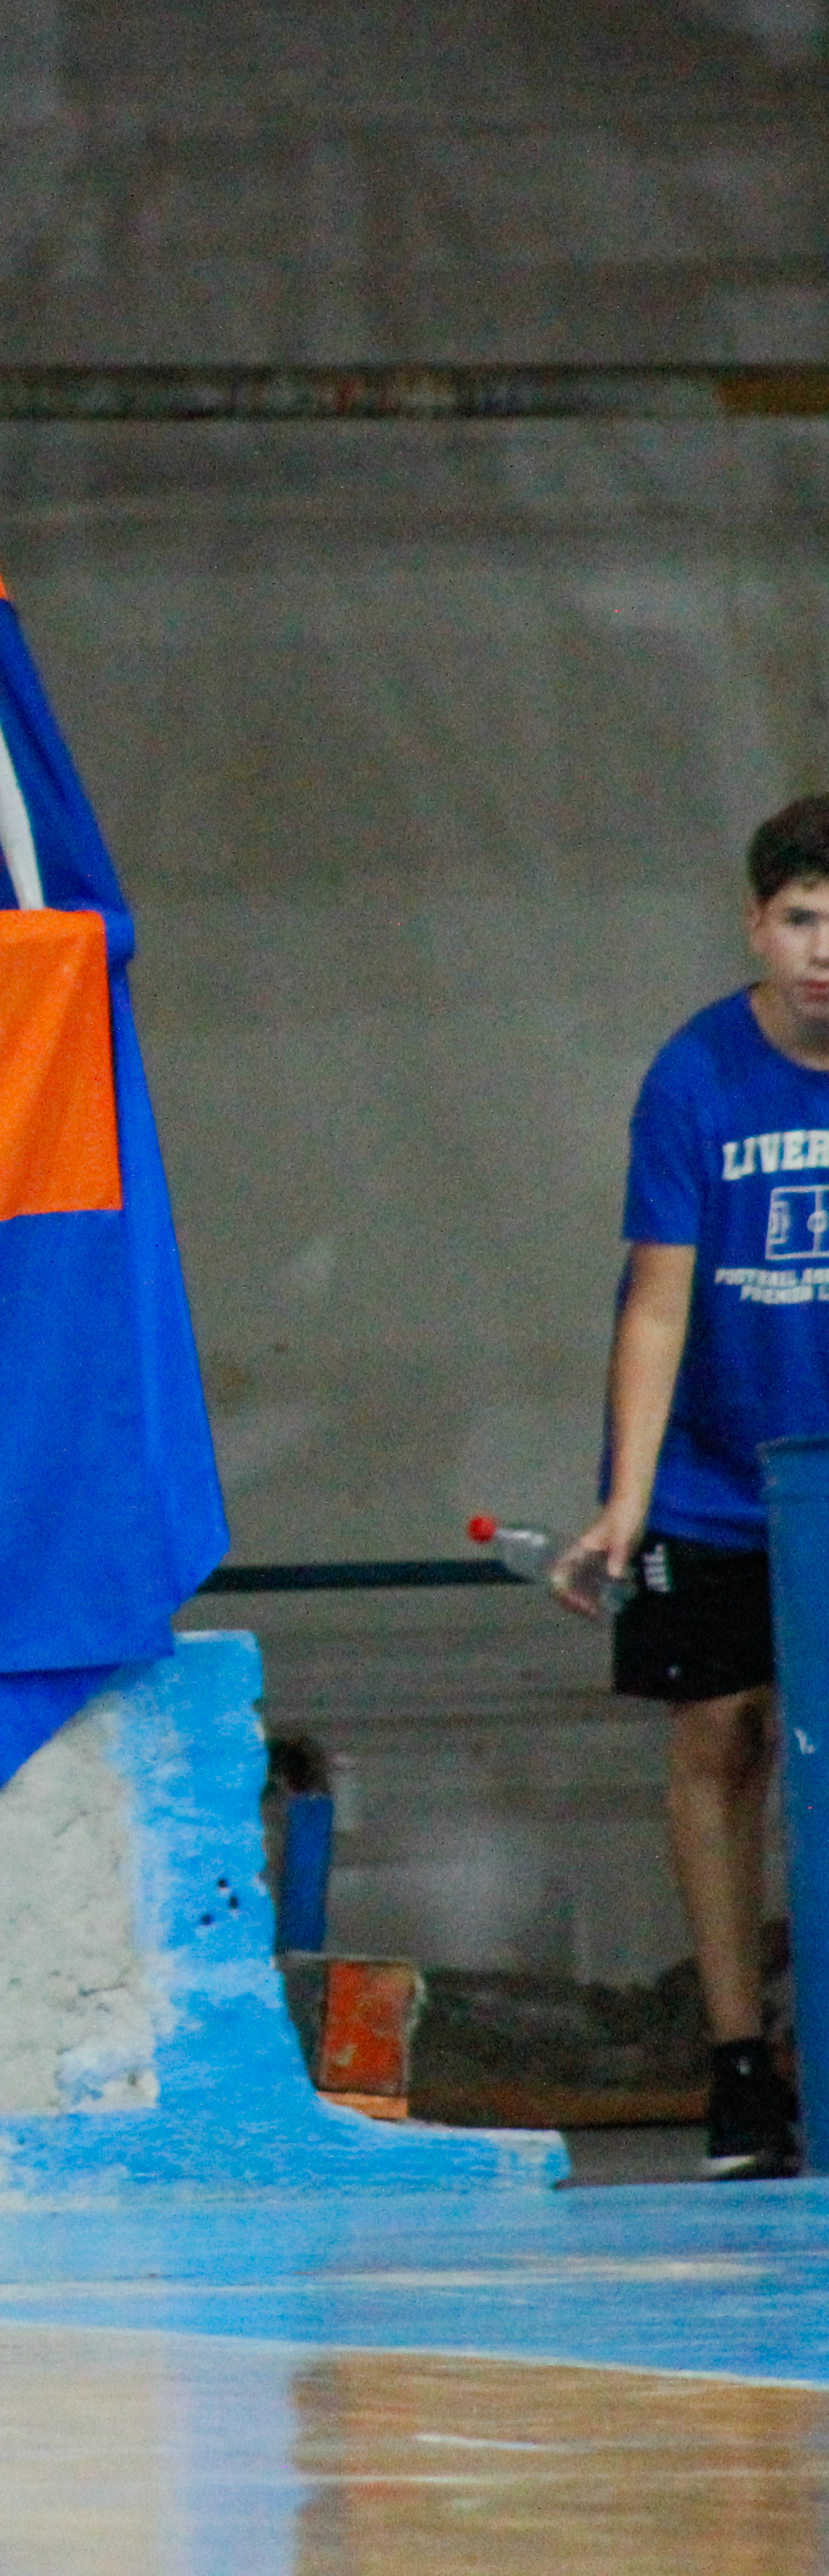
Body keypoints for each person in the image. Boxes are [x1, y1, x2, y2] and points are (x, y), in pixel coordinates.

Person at [554, 794, 829, 2182]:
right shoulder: (694, 1079)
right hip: (721, 1483)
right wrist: (628, 1495)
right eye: (799, 919)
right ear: (753, 925)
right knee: (716, 1739)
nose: (821, 951)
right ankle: (736, 2065)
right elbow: (654, 1303)